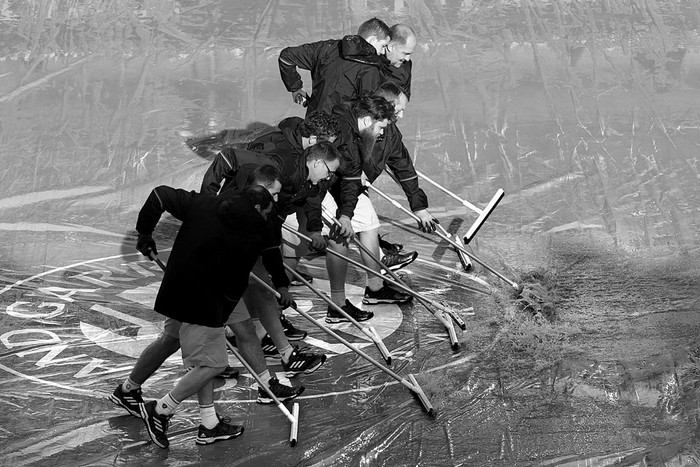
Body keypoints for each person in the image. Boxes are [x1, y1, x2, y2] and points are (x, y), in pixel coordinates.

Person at [110, 184, 290, 448]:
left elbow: (160, 194)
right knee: (214, 364)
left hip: (176, 288)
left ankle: (130, 390)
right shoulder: (253, 233)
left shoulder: (205, 203)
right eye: (267, 211)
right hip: (203, 299)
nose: (267, 217)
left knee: (172, 339)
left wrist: (145, 233)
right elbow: (235, 282)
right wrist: (221, 315)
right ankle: (161, 410)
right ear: (257, 207)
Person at [322, 93, 415, 323]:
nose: (382, 133)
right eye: (380, 128)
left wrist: (348, 209)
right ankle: (337, 304)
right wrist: (344, 216)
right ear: (366, 121)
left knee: (369, 222)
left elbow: (351, 177)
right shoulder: (342, 131)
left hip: (342, 184)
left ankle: (375, 288)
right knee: (339, 236)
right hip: (320, 183)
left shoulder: (357, 131)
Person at [278, 17, 391, 115]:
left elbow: (286, 57)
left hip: (314, 123)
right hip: (341, 132)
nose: (383, 52)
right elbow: (370, 109)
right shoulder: (371, 68)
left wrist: (296, 88)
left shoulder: (326, 48)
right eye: (383, 46)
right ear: (373, 40)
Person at [380, 24, 417, 100]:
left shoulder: (406, 65)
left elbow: (405, 97)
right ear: (391, 47)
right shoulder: (371, 65)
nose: (407, 59)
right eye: (405, 53)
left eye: (409, 54)